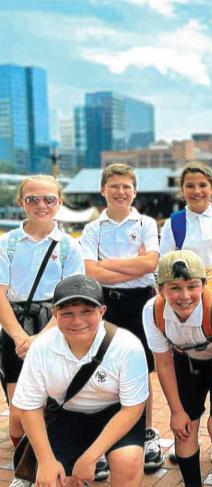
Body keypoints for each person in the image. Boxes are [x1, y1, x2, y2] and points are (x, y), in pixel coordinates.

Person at [11, 274, 149, 487]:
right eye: (67, 313)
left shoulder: (127, 346)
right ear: (55, 314)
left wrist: (90, 457)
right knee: (52, 479)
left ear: (102, 311)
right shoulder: (41, 348)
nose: (77, 321)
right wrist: (46, 461)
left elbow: (132, 408)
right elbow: (30, 407)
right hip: (67, 414)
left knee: (127, 462)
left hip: (116, 413)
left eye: (87, 311)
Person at [79, 163, 163, 476]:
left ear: (135, 191)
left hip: (139, 303)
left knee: (141, 370)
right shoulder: (93, 228)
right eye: (114, 186)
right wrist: (133, 264)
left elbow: (150, 263)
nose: (120, 192)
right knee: (100, 370)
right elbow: (89, 271)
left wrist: (109, 264)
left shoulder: (145, 223)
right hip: (103, 305)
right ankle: (101, 443)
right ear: (103, 190)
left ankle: (146, 434)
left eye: (126, 186)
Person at [0, 175, 84, 476]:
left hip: (56, 326)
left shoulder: (69, 247)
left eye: (49, 199)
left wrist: (39, 338)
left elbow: (70, 299)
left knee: (56, 402)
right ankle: (27, 469)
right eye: (32, 199)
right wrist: (22, 337)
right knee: (20, 413)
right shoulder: (7, 244)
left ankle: (57, 466)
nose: (41, 205)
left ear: (59, 203)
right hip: (15, 326)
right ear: (21, 202)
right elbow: (1, 295)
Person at [142, 250, 212, 487]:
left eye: (192, 286)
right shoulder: (153, 311)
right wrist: (176, 411)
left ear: (204, 285)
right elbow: (164, 362)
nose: (184, 296)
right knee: (185, 427)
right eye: (175, 288)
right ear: (160, 289)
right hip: (186, 357)